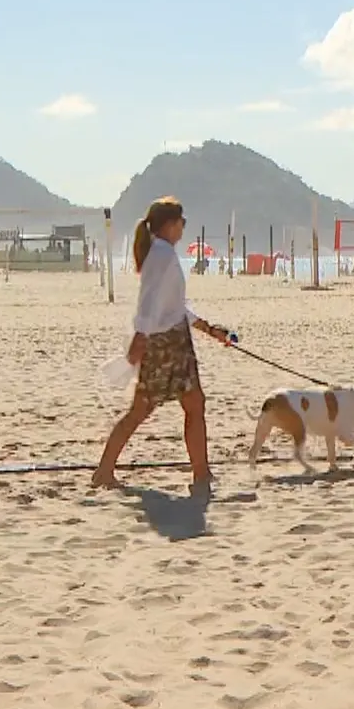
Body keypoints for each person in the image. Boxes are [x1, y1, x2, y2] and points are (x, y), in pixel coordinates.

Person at [91, 197, 236, 492]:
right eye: (182, 221)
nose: (184, 227)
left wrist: (209, 329)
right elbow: (149, 301)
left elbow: (175, 304)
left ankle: (201, 474)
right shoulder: (162, 255)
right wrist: (140, 338)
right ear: (170, 224)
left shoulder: (162, 253)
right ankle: (104, 471)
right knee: (142, 409)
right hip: (164, 343)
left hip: (174, 339)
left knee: (193, 404)